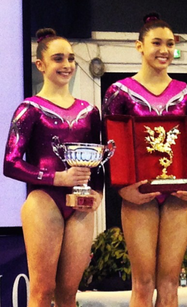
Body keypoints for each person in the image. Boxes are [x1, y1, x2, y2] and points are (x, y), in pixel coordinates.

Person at [103, 12, 187, 307]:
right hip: (139, 194)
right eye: (156, 43)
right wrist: (121, 188)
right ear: (139, 46)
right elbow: (109, 144)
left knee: (170, 283)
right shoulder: (119, 92)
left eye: (170, 44)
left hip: (178, 195)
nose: (164, 50)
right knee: (143, 282)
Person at [3, 28, 103, 307]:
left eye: (71, 58)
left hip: (81, 206)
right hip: (44, 201)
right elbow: (10, 163)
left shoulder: (88, 112)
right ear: (41, 65)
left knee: (69, 294)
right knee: (43, 291)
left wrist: (98, 193)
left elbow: (99, 160)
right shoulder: (30, 109)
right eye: (58, 59)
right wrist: (57, 177)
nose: (67, 65)